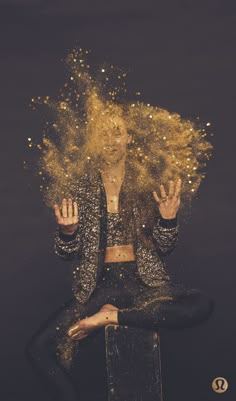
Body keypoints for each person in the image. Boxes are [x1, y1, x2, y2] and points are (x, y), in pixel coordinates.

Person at [25, 113, 214, 401]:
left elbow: (164, 246)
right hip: (100, 287)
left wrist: (168, 220)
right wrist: (67, 233)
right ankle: (107, 314)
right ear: (93, 141)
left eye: (116, 132)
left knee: (202, 305)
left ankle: (110, 317)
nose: (110, 140)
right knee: (38, 349)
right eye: (102, 134)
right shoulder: (80, 188)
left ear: (127, 137)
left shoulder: (146, 183)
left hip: (144, 285)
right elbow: (66, 254)